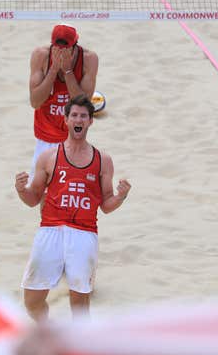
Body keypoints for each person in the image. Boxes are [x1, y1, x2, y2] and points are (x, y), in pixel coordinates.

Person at [14, 95, 131, 321]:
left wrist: (121, 196)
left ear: (90, 122)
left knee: (79, 304)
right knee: (32, 301)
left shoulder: (102, 160)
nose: (79, 119)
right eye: (74, 115)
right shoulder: (48, 156)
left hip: (84, 232)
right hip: (50, 230)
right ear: (66, 120)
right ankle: (49, 334)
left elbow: (106, 205)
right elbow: (32, 198)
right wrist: (21, 189)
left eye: (84, 116)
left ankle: (79, 350)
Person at [28, 24, 99, 181]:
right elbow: (35, 102)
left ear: (75, 46)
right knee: (41, 194)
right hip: (45, 137)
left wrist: (67, 71)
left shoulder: (88, 59)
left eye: (66, 49)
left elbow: (83, 106)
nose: (61, 53)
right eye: (57, 48)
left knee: (68, 192)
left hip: (73, 139)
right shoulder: (41, 56)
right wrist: (53, 70)